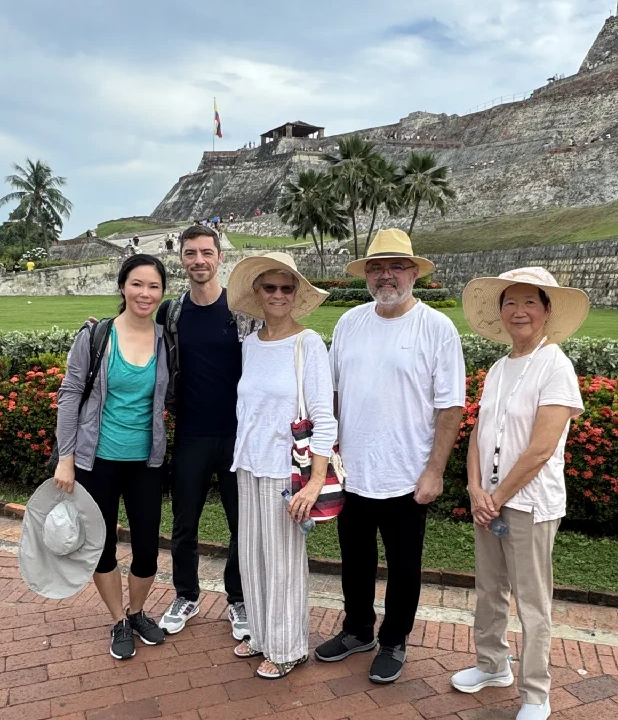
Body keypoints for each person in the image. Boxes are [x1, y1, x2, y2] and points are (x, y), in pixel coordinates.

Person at [316, 229, 465, 683]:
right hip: (354, 470)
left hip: (407, 474)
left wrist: (435, 470)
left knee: (404, 567)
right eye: (377, 267)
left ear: (414, 273)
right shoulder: (350, 324)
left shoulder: (436, 329)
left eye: (396, 266)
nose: (386, 276)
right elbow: (334, 396)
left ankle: (394, 639)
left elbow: (450, 406)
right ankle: (358, 629)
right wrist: (326, 459)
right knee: (355, 560)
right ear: (367, 275)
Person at [451, 267, 588, 720]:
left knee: (532, 603)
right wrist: (475, 490)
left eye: (531, 302)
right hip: (490, 501)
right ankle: (492, 665)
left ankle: (536, 695)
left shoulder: (556, 365)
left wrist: (497, 497)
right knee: (489, 590)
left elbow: (540, 448)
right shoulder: (498, 367)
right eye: (511, 302)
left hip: (529, 504)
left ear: (547, 310)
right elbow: (477, 435)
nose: (520, 311)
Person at [54, 255, 170, 660]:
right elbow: (69, 395)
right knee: (101, 546)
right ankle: (118, 619)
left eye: (153, 286)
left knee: (146, 549)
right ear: (122, 287)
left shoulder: (165, 339)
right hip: (96, 459)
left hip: (145, 462)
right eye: (137, 284)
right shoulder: (96, 336)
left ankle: (137, 612)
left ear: (162, 293)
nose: (145, 293)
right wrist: (65, 456)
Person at [227, 253, 335, 677]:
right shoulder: (250, 344)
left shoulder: (307, 344)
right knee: (252, 555)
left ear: (296, 295)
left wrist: (316, 481)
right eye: (269, 287)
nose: (277, 295)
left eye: (285, 288)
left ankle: (288, 647)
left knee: (283, 559)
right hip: (248, 463)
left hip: (286, 470)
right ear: (257, 293)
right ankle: (261, 635)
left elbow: (324, 416)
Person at [157, 225, 261, 639]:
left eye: (206, 252)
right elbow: (136, 330)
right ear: (181, 259)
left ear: (219, 257)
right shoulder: (172, 313)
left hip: (238, 435)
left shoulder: (241, 311)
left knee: (242, 523)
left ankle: (237, 599)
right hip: (191, 434)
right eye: (190, 253)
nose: (198, 260)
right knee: (184, 522)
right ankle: (186, 594)